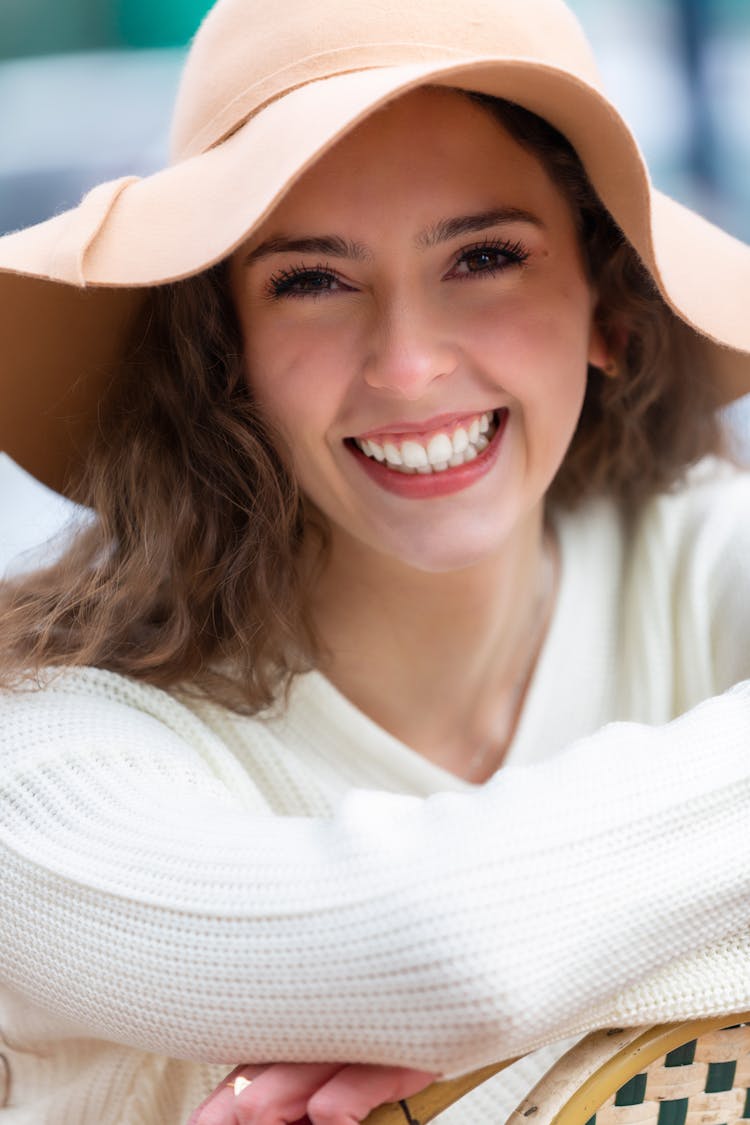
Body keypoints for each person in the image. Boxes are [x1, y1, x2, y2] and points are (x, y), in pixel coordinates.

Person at [0, 0, 749, 1123]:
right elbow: (450, 953)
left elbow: (461, 973)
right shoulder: (48, 765)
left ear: (611, 307)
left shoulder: (687, 555)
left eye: (485, 256)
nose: (406, 366)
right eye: (311, 279)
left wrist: (498, 1016)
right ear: (226, 351)